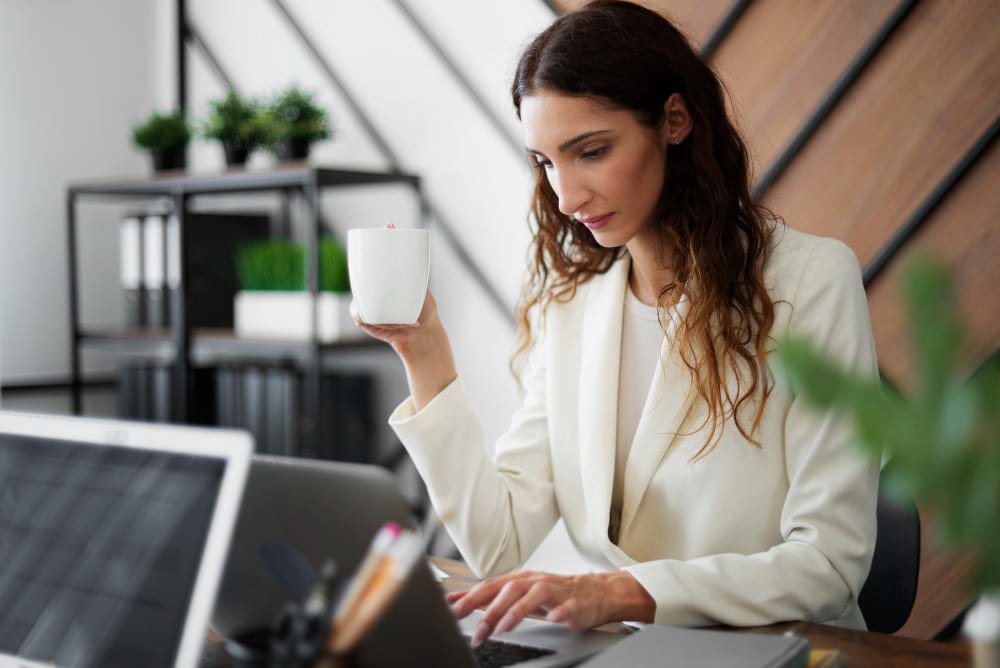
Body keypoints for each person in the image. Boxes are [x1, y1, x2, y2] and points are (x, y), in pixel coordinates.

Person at [354, 0, 879, 644]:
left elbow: (830, 562)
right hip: (630, 652)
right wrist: (424, 352)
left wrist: (613, 592)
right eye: (545, 163)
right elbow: (498, 543)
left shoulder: (809, 282)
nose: (566, 197)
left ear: (675, 121)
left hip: (777, 650)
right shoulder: (574, 309)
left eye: (591, 151)